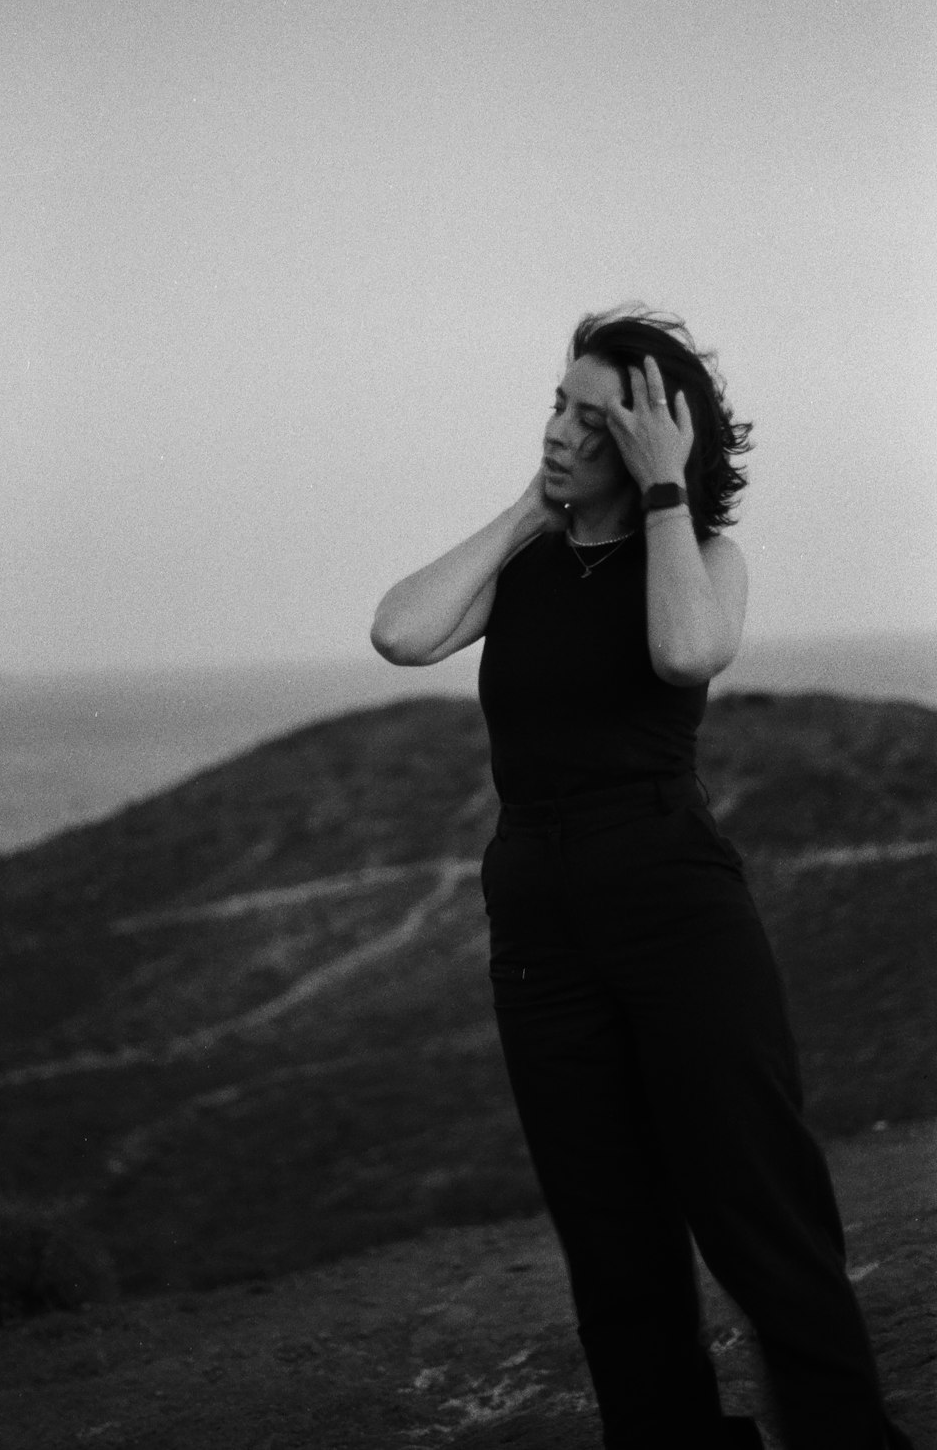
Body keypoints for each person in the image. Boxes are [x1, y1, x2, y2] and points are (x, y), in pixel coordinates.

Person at [369, 307, 914, 1450]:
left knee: (754, 1203)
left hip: (672, 903)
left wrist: (664, 497)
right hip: (537, 921)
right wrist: (529, 507)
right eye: (555, 408)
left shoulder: (708, 560)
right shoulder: (522, 567)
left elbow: (683, 652)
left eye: (590, 416)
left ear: (653, 439)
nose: (560, 431)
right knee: (609, 1234)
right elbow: (402, 635)